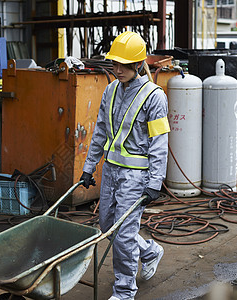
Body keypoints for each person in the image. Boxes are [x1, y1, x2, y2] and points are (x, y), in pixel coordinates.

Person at [80, 31, 170, 300]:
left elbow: (159, 142)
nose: (117, 70)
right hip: (110, 171)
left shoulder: (154, 97)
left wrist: (155, 182)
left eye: (123, 65)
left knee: (124, 233)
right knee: (108, 227)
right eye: (114, 64)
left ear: (138, 64)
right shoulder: (110, 91)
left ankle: (124, 291)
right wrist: (88, 166)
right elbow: (100, 132)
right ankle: (150, 251)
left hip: (136, 176)